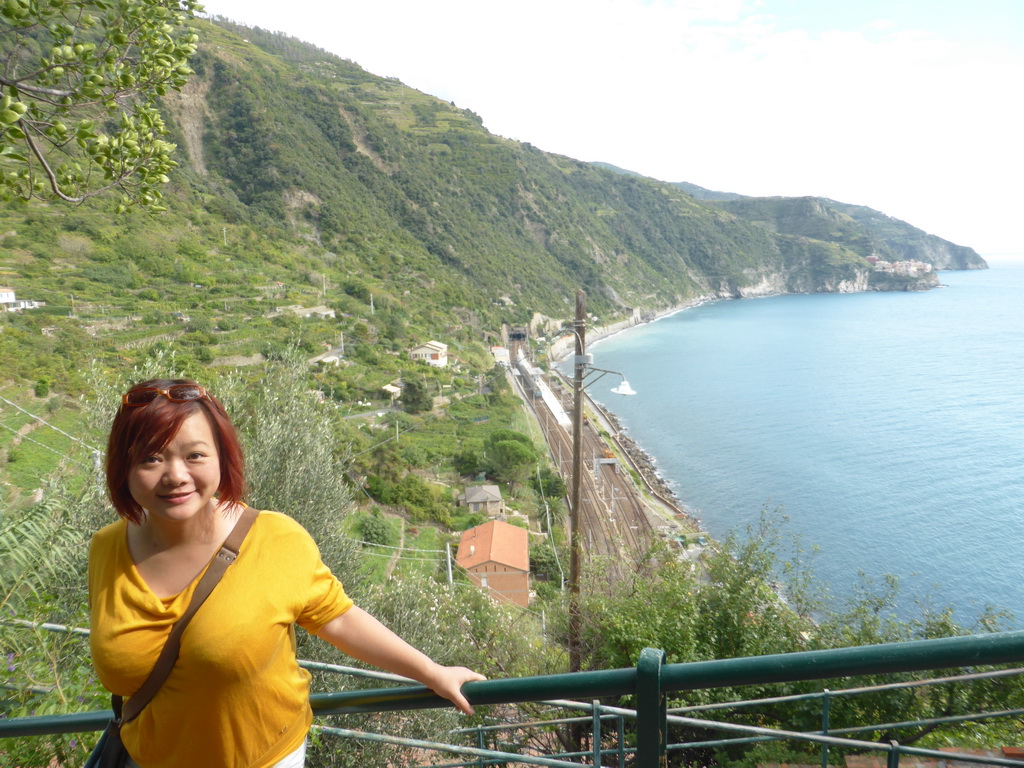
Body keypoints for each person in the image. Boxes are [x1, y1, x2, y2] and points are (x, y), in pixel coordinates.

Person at [89, 379, 485, 768]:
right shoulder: (107, 549)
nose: (175, 475)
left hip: (267, 759)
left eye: (194, 455)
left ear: (222, 458)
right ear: (124, 468)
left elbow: (341, 619)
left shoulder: (274, 538)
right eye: (151, 458)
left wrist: (432, 672)